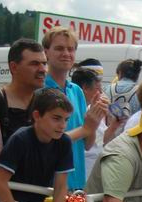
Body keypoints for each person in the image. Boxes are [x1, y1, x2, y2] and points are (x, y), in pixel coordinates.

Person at [42, 26, 107, 190]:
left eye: (70, 49)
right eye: (59, 48)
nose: (66, 53)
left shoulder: (76, 91)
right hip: (48, 183)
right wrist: (86, 128)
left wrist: (94, 121)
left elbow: (87, 144)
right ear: (46, 52)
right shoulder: (40, 90)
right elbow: (45, 141)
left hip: (76, 182)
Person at [0, 39, 47, 143]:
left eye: (44, 63)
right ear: (14, 67)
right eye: (34, 64)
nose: (42, 69)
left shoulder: (44, 102)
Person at [71, 66, 120, 181]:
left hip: (91, 170)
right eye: (98, 89)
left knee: (82, 199)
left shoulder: (93, 110)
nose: (101, 93)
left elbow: (97, 142)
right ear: (85, 88)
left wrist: (114, 125)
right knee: (75, 199)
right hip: (81, 169)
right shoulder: (72, 110)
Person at [105, 58, 142, 136]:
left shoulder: (107, 89)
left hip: (107, 137)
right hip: (128, 139)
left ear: (120, 73)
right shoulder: (141, 92)